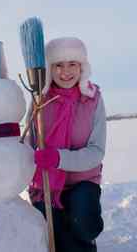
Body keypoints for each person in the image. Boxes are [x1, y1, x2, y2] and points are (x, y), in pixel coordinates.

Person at [27, 37, 106, 252]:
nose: (65, 71)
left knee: (83, 224)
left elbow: (97, 152)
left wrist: (59, 158)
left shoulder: (93, 98)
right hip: (46, 185)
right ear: (49, 68)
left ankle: (87, 238)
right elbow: (28, 142)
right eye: (58, 65)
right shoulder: (39, 100)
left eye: (73, 64)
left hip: (83, 181)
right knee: (57, 238)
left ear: (82, 67)